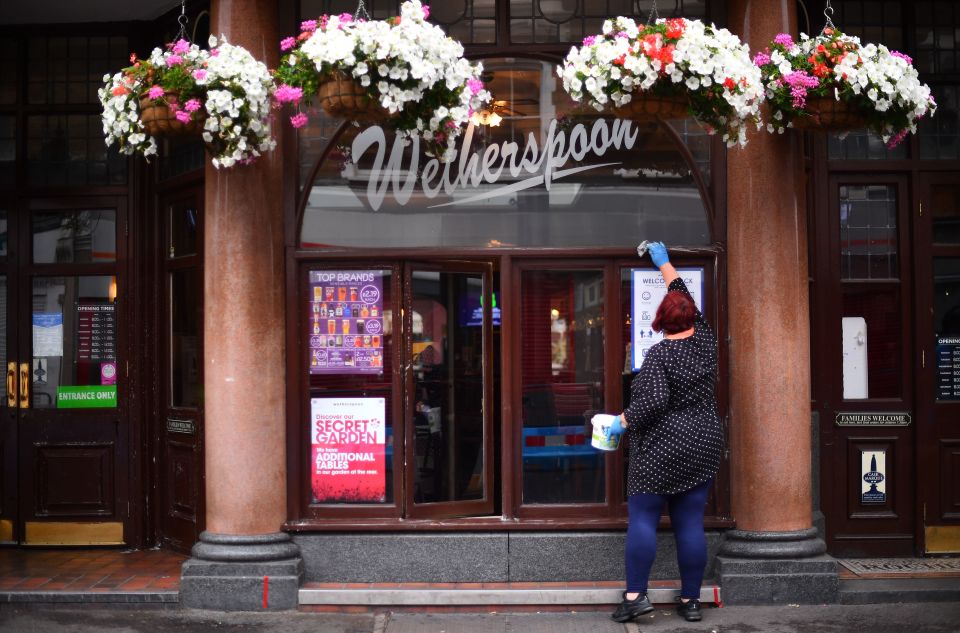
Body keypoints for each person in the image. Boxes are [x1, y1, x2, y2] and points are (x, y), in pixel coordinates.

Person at [607, 241, 723, 624]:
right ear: (692, 316)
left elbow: (651, 404)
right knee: (690, 522)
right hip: (703, 442)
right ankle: (690, 601)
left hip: (663, 447)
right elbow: (682, 294)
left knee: (642, 518)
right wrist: (665, 263)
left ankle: (636, 597)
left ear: (660, 318)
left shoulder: (659, 355)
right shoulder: (705, 340)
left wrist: (619, 422)